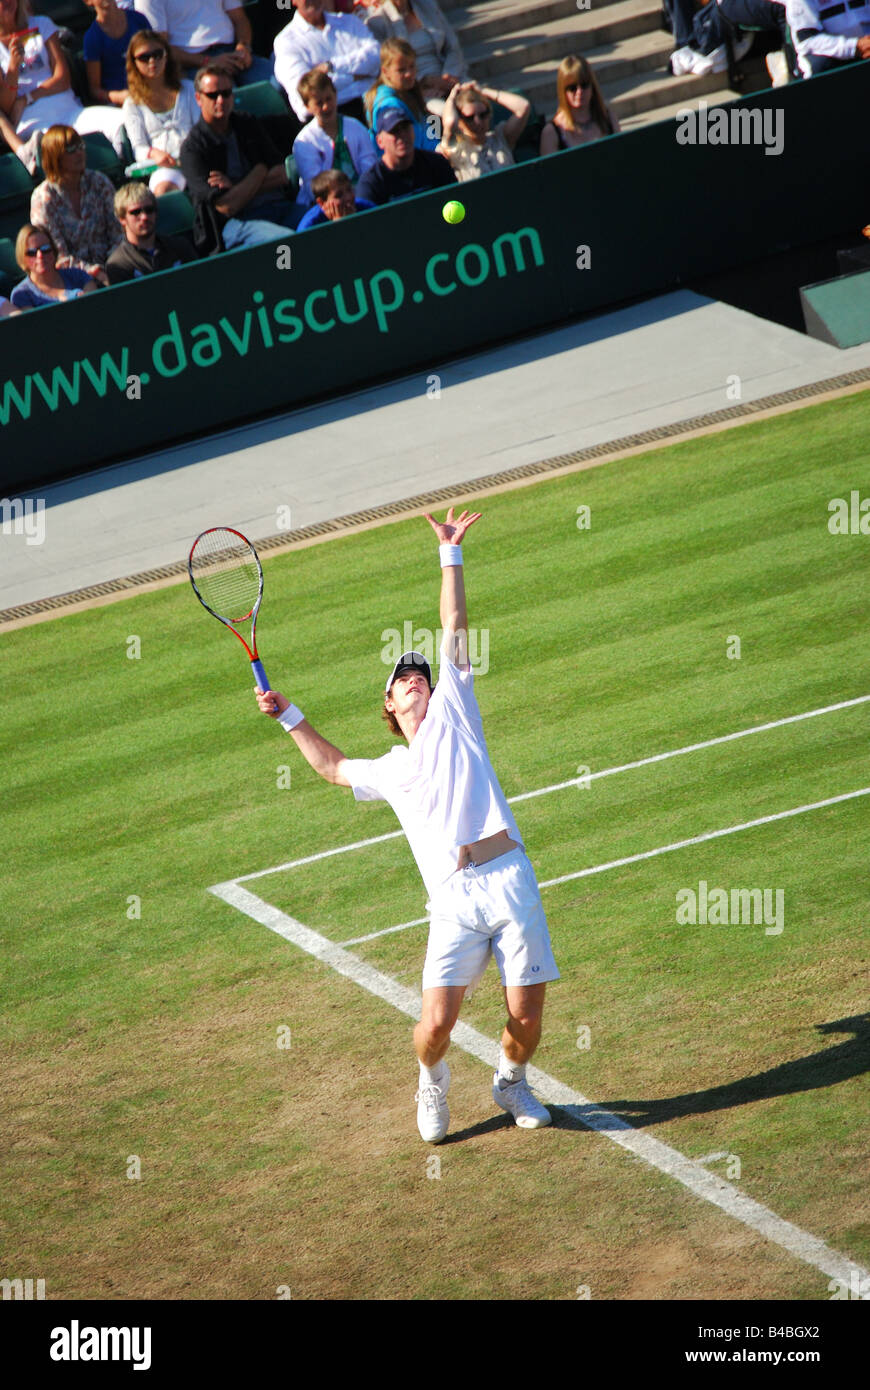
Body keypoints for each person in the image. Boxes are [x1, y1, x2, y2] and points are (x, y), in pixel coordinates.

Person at [254, 508, 560, 1144]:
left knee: (526, 1015)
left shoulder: (457, 708)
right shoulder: (389, 770)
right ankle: (433, 1078)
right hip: (452, 903)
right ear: (390, 706)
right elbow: (334, 766)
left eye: (419, 672)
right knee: (433, 1030)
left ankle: (510, 1080)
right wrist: (290, 715)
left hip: (508, 877)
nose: (414, 676)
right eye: (401, 678)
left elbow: (453, 625)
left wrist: (450, 555)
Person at [180, 64, 299, 253]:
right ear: (198, 98)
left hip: (279, 206)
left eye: (226, 93)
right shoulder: (192, 149)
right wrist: (260, 169)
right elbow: (226, 206)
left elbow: (281, 175)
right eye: (213, 95)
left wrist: (235, 186)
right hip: (238, 224)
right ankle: (289, 277)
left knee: (325, 223)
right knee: (285, 243)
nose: (221, 100)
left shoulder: (247, 123)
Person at [0, 0, 127, 143]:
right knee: (63, 146)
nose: (6, 2)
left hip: (70, 111)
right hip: (33, 123)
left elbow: (62, 79)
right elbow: (5, 105)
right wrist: (13, 68)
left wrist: (26, 98)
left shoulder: (41, 24)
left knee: (125, 122)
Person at [30, 124, 121, 283]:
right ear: (55, 156)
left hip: (114, 266)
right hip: (71, 277)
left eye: (80, 146)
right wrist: (93, 272)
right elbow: (57, 256)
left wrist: (112, 266)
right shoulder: (43, 198)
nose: (80, 153)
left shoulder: (99, 182)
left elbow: (118, 232)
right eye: (71, 150)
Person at [273, 0, 380, 124]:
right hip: (329, 117)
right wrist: (356, 77)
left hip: (373, 102)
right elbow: (308, 91)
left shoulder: (349, 21)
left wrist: (331, 66)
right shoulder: (286, 41)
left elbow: (376, 58)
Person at [123, 29, 198, 195]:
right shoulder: (132, 104)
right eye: (144, 57)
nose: (152, 61)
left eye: (158, 54)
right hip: (165, 167)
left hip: (196, 158)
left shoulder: (188, 88)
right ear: (134, 62)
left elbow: (201, 129)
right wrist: (154, 154)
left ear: (167, 56)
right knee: (163, 190)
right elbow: (139, 148)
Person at [135, 0, 275, 86]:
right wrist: (207, 61)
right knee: (227, 98)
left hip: (233, 53)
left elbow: (240, 19)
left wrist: (244, 47)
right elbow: (159, 48)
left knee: (279, 84)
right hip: (191, 64)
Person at [292, 67, 376, 206]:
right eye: (319, 103)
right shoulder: (304, 142)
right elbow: (313, 188)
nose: (326, 106)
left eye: (329, 99)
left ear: (336, 95)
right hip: (325, 205)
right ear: (307, 106)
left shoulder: (356, 127)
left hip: (361, 196)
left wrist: (359, 194)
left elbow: (370, 168)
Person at [364, 0, 466, 108]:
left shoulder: (428, 6)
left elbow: (453, 47)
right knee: (439, 114)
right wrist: (424, 83)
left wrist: (448, 77)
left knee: (477, 103)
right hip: (414, 87)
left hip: (448, 77)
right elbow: (389, 67)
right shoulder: (377, 22)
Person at [355, 105, 455, 204]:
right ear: (379, 141)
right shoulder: (371, 183)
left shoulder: (436, 163)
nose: (402, 135)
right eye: (394, 131)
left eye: (405, 128)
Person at [105, 181, 196, 282]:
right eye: (136, 212)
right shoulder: (118, 264)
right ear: (122, 218)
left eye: (149, 210)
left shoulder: (180, 246)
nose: (144, 217)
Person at [438, 81, 529, 180]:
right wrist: (452, 96)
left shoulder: (501, 137)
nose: (478, 122)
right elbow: (450, 122)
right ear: (460, 120)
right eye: (470, 117)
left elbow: (523, 106)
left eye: (483, 115)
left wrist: (484, 91)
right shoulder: (455, 148)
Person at [365, 37, 438, 149]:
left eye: (412, 66)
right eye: (401, 70)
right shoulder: (389, 105)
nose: (409, 73)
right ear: (385, 71)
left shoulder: (409, 92)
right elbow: (407, 146)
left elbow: (430, 129)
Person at [539, 54, 619, 155]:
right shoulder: (552, 133)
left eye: (584, 84)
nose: (579, 92)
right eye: (572, 88)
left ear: (592, 86)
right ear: (563, 91)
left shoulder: (609, 118)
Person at [10, 221, 99, 308]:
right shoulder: (21, 294)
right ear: (22, 256)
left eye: (45, 248)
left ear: (53, 250)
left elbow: (94, 305)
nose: (40, 255)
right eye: (32, 252)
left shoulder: (78, 275)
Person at [81, 0, 150, 109]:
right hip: (121, 105)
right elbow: (95, 89)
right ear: (88, 2)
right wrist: (120, 97)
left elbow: (156, 54)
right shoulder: (92, 38)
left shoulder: (138, 19)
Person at [784, 0, 870, 76]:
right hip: (831, 56)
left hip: (865, 44)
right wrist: (855, 47)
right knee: (819, 64)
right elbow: (808, 41)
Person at [295, 166, 374, 226]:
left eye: (349, 190)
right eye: (338, 195)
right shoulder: (310, 225)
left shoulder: (365, 207)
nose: (348, 197)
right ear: (322, 203)